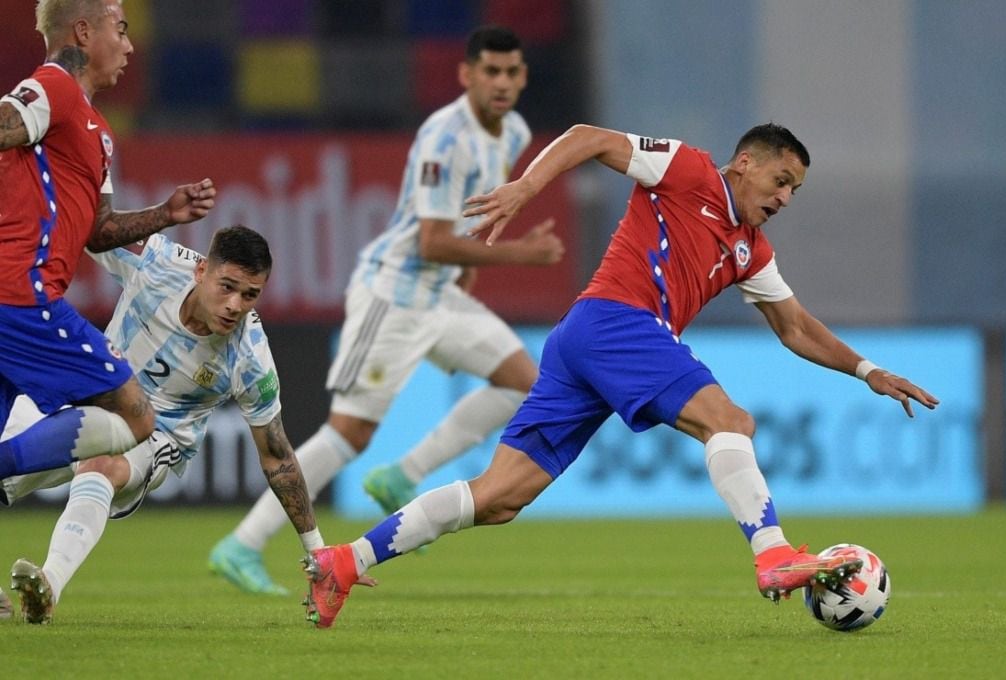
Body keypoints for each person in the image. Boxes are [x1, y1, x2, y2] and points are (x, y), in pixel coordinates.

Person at [298, 123, 941, 628]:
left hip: (582, 340)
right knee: (731, 421)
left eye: (795, 190)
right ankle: (773, 553)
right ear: (745, 162)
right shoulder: (687, 169)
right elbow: (588, 138)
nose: (783, 198)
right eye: (780, 179)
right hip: (617, 321)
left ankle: (343, 563)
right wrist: (524, 189)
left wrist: (867, 369)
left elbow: (796, 328)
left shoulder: (751, 250)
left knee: (499, 497)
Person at [207, 25, 564, 597]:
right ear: (466, 75)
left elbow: (468, 213)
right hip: (393, 294)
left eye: (511, 72)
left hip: (440, 295)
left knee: (527, 381)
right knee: (349, 432)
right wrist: (520, 254)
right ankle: (242, 544)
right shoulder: (444, 137)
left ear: (523, 77)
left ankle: (405, 475)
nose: (501, 83)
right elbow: (429, 242)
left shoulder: (513, 131)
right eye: (489, 71)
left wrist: (469, 264)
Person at [1, 225, 348, 624]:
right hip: (90, 396)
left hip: (157, 436)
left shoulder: (250, 359)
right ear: (201, 271)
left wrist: (317, 552)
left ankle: (48, 585)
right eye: (228, 286)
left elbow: (277, 456)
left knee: (103, 463)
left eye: (250, 295)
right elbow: (88, 231)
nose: (235, 305)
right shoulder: (157, 265)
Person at [0, 0, 217, 481]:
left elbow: (98, 234)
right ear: (83, 32)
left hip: (12, 299)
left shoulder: (94, 128)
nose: (129, 45)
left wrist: (165, 213)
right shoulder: (53, 85)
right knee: (135, 414)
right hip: (21, 296)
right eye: (119, 30)